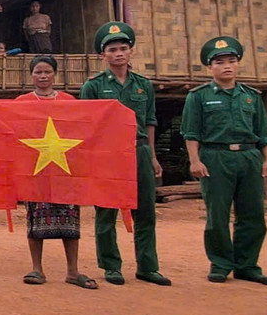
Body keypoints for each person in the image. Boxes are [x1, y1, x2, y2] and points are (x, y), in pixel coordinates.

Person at [79, 22, 170, 286]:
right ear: (102, 55)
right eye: (112, 49)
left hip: (138, 149)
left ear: (131, 52)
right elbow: (88, 124)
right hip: (108, 153)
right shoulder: (93, 86)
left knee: (145, 210)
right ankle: (111, 266)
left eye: (123, 48)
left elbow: (150, 121)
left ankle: (148, 266)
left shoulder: (144, 85)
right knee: (106, 211)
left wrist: (152, 155)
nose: (118, 53)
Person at [182, 36, 267, 285]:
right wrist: (195, 161)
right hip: (215, 157)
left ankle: (247, 265)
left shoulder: (251, 96)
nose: (226, 66)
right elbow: (191, 133)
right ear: (209, 67)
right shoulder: (199, 97)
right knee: (218, 214)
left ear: (238, 64)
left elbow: (264, 133)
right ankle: (221, 263)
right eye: (220, 62)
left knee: (253, 214)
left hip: (249, 156)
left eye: (231, 61)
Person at [19, 56, 97, 290]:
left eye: (47, 72)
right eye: (38, 72)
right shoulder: (21, 103)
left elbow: (83, 130)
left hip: (65, 169)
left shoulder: (69, 101)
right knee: (34, 220)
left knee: (71, 222)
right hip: (35, 170)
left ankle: (72, 271)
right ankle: (37, 268)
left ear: (55, 74)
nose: (43, 76)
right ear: (31, 76)